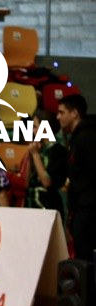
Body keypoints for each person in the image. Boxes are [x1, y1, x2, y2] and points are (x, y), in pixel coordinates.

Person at [57, 94, 95, 263]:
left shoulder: (88, 137)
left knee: (86, 260)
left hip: (89, 211)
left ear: (74, 113)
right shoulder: (77, 138)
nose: (58, 117)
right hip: (81, 208)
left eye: (62, 112)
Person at [23, 110, 67, 215]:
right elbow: (26, 182)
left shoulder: (57, 149)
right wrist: (30, 155)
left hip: (47, 206)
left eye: (35, 127)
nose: (33, 130)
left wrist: (35, 155)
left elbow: (47, 182)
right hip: (31, 204)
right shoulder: (37, 148)